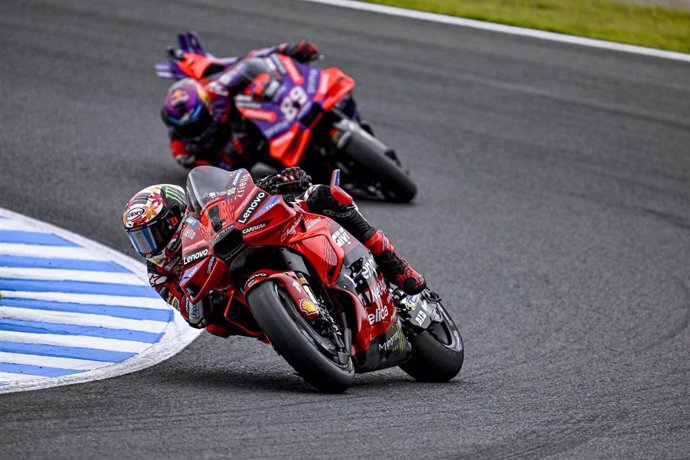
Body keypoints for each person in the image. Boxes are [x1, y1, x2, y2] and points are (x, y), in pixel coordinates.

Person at [122, 167, 426, 335]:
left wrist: (276, 183)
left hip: (254, 234)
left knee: (327, 196)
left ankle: (396, 264)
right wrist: (197, 295)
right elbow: (192, 316)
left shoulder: (202, 213)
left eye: (154, 233)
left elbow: (236, 195)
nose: (152, 246)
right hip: (230, 291)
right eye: (142, 240)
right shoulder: (159, 274)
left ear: (176, 215)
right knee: (215, 323)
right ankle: (294, 332)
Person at [160, 40, 320, 171]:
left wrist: (287, 48)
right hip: (252, 146)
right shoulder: (184, 152)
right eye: (192, 128)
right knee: (298, 174)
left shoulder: (212, 84)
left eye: (200, 121)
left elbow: (247, 60)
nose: (199, 129)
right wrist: (234, 154)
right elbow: (213, 176)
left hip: (266, 106)